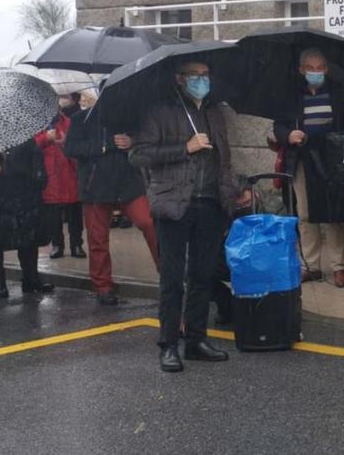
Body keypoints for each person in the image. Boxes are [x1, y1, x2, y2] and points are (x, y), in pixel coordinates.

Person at [129, 60, 250, 372]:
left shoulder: (214, 112)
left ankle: (196, 339)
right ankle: (168, 344)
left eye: (205, 75)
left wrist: (234, 190)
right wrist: (185, 147)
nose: (201, 80)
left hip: (210, 203)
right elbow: (139, 154)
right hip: (174, 203)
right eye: (194, 75)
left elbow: (223, 160)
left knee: (203, 275)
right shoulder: (160, 111)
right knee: (172, 279)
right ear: (180, 79)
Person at [273, 48, 344, 288]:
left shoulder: (341, 92)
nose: (315, 72)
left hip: (334, 161)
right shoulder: (290, 95)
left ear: (326, 69)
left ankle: (338, 267)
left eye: (320, 67)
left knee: (334, 214)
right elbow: (278, 126)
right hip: (302, 160)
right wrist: (288, 134)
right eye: (310, 68)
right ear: (301, 70)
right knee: (305, 214)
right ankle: (310, 266)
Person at [64, 93, 160, 306]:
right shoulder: (81, 119)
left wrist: (133, 142)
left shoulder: (131, 118)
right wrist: (105, 145)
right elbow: (70, 148)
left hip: (128, 185)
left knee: (150, 223)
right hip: (95, 187)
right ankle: (103, 286)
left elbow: (148, 143)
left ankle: (168, 276)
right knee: (98, 238)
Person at [0, 140, 52, 299]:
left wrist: (38, 174)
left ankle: (31, 279)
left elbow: (38, 168)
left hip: (24, 197)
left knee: (29, 240)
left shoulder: (25, 141)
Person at [36, 94, 85, 260]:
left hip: (70, 175)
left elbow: (79, 146)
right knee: (53, 217)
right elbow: (32, 148)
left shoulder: (70, 123)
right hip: (50, 179)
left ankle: (77, 244)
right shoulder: (38, 126)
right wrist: (45, 139)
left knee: (75, 216)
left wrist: (65, 142)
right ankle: (57, 245)